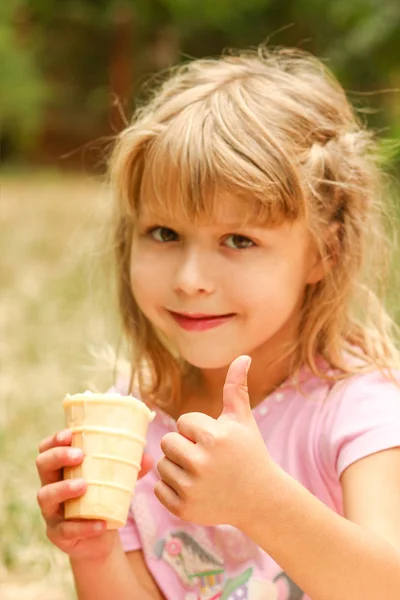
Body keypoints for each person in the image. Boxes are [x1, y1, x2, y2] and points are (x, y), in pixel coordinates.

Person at [36, 45, 400, 600]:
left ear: (324, 252)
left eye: (238, 240)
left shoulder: (359, 409)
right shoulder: (137, 422)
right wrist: (95, 552)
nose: (190, 278)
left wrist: (261, 503)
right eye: (164, 233)